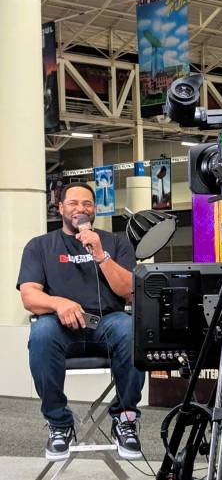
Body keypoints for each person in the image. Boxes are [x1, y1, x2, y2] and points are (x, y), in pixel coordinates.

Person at [17, 182, 145, 462]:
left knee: (130, 329)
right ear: (60, 207)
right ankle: (59, 424)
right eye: (73, 203)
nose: (80, 209)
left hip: (107, 323)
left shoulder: (115, 243)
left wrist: (100, 255)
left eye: (87, 203)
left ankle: (125, 420)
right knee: (40, 333)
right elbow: (29, 295)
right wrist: (58, 303)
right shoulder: (40, 246)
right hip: (60, 327)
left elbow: (130, 291)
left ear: (95, 209)